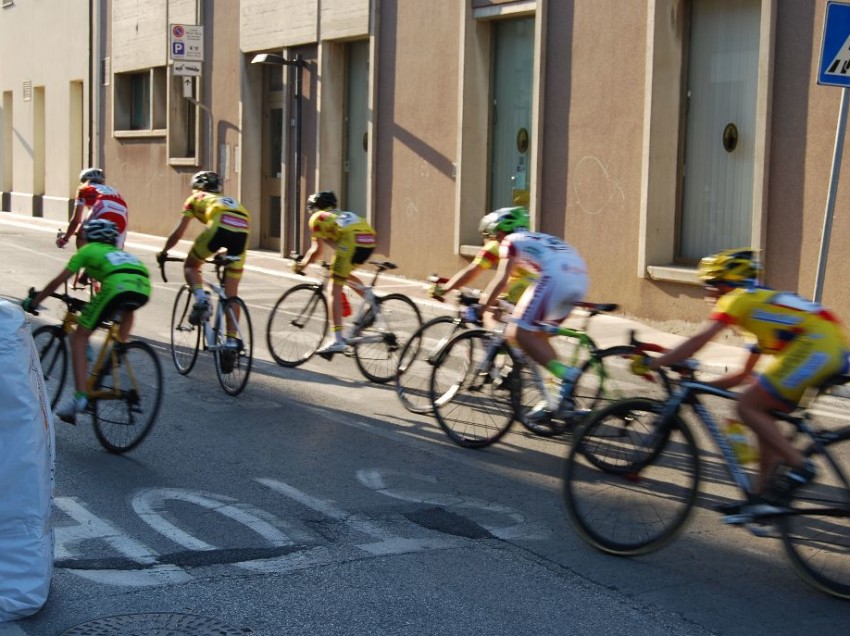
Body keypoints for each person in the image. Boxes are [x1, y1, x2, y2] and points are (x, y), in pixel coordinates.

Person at [644, 247, 850, 523]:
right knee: (763, 417)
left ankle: (801, 466)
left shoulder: (738, 299)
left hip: (817, 348)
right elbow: (742, 375)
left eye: (712, 286)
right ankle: (760, 499)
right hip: (827, 347)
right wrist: (697, 387)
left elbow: (699, 341)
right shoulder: (759, 306)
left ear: (728, 284)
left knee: (747, 406)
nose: (708, 294)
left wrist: (657, 362)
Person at [23, 219, 151, 423]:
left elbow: (59, 280)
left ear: (90, 238)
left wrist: (35, 301)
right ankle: (118, 350)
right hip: (142, 284)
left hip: (116, 286)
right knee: (127, 309)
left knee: (79, 338)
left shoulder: (88, 250)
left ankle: (80, 398)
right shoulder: (119, 254)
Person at [473, 208, 589, 419]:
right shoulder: (535, 238)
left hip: (555, 277)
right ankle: (557, 400)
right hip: (579, 277)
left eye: (491, 236)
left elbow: (501, 279)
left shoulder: (511, 241)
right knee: (538, 338)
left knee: (517, 333)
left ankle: (568, 376)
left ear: (499, 233)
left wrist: (483, 306)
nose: (493, 242)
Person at [156, 171, 250, 349]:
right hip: (243, 227)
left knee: (191, 266)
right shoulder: (228, 200)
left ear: (197, 186)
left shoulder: (196, 198)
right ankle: (231, 341)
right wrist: (222, 254)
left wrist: (164, 251)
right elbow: (234, 228)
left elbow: (179, 232)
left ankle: (201, 299)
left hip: (218, 225)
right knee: (231, 294)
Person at [294, 190, 377, 356]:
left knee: (333, 287)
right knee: (341, 273)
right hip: (369, 239)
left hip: (351, 242)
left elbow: (316, 250)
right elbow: (335, 241)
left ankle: (337, 339)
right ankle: (373, 301)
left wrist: (300, 266)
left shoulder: (317, 218)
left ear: (315, 208)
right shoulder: (339, 215)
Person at [429, 206, 537, 311]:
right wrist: (445, 290)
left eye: (499, 233)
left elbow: (501, 280)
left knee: (498, 308)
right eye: (494, 234)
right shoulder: (495, 247)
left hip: (538, 282)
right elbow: (472, 270)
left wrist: (483, 307)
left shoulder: (527, 247)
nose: (495, 238)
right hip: (517, 280)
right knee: (488, 302)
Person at [57, 168, 129, 250]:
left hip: (103, 204)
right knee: (117, 249)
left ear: (84, 180)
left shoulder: (84, 189)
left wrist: (65, 239)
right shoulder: (113, 190)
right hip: (123, 210)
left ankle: (84, 260)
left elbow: (76, 220)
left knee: (81, 237)